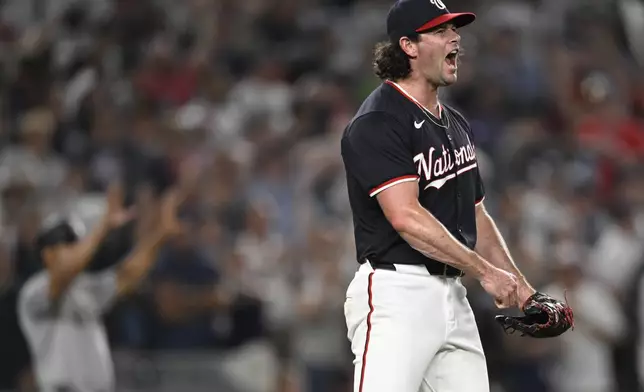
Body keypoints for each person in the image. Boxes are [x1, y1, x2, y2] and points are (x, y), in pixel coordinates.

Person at [340, 1, 538, 391]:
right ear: (409, 47)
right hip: (397, 295)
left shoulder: (455, 122)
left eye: (455, 29)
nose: (455, 38)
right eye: (441, 31)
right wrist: (484, 271)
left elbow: (476, 215)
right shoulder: (378, 121)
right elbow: (406, 218)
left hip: (453, 294)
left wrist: (521, 288)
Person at [17, 183, 183, 392]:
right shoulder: (34, 291)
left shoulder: (84, 289)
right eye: (66, 246)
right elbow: (64, 271)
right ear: (46, 254)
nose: (76, 249)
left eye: (74, 243)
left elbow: (127, 274)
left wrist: (160, 235)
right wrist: (103, 226)